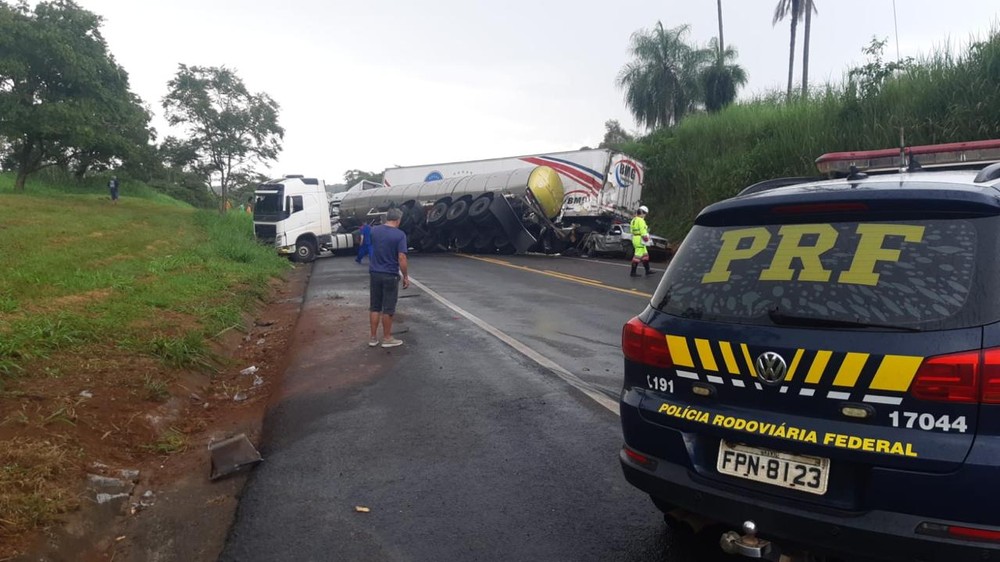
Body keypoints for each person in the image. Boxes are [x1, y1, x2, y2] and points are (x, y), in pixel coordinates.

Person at [368, 209, 409, 348]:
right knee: (388, 308)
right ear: (398, 220)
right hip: (390, 274)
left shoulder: (374, 231)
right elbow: (402, 257)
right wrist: (405, 276)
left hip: (375, 273)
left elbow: (372, 245)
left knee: (374, 307)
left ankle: (373, 338)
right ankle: (387, 338)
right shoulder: (400, 235)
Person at [630, 205, 653, 277]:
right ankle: (633, 272)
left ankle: (647, 270)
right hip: (640, 239)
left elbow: (631, 230)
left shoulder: (633, 220)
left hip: (635, 238)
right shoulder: (641, 220)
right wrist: (646, 238)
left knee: (645, 255)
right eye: (645, 213)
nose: (645, 215)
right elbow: (643, 230)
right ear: (642, 213)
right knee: (637, 256)